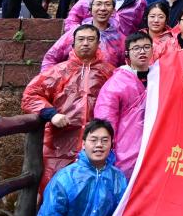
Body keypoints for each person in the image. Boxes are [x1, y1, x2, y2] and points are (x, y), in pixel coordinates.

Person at [21, 25, 116, 191]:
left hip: (97, 143)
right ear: (73, 44)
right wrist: (51, 114)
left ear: (98, 43)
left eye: (90, 39)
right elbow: (30, 95)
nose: (85, 43)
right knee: (55, 189)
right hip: (60, 143)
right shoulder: (58, 71)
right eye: (81, 39)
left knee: (94, 192)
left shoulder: (110, 73)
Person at [93, 33, 153, 177]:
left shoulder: (160, 77)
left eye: (146, 47)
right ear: (127, 53)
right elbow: (105, 117)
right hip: (125, 147)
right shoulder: (117, 82)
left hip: (155, 142)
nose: (142, 51)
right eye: (136, 48)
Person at [43, 0, 125, 70]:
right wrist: (49, 77)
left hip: (107, 79)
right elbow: (51, 58)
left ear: (113, 10)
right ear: (90, 9)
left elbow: (125, 67)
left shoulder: (120, 39)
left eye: (107, 4)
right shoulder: (76, 33)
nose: (103, 8)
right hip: (73, 78)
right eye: (98, 4)